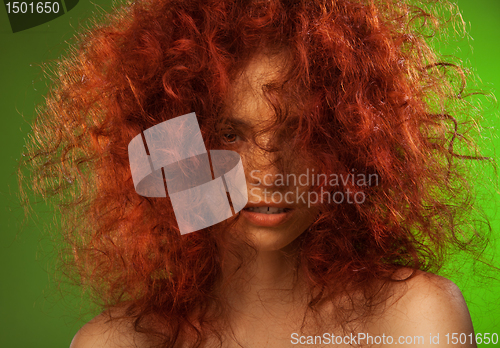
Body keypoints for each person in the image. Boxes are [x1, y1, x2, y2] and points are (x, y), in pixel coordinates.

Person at [24, 0, 490, 347]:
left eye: (299, 131)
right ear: (179, 149)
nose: (269, 172)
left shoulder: (415, 322)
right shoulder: (116, 343)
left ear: (352, 140)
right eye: (231, 134)